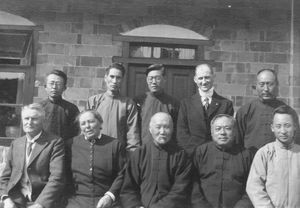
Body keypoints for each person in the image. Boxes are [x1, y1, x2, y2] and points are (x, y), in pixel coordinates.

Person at [120, 112, 192, 208]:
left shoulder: (181, 156)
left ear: (172, 129)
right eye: (158, 127)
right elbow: (128, 188)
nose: (162, 132)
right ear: (150, 129)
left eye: (166, 127)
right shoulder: (140, 154)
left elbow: (180, 191)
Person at [0, 103, 65, 208]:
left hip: (41, 200)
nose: (29, 122)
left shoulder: (54, 143)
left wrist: (41, 204)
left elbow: (57, 178)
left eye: (34, 119)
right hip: (16, 200)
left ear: (43, 121)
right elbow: (5, 177)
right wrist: (6, 198)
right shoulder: (16, 144)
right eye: (26, 118)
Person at [65, 110, 126, 208]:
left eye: (91, 122)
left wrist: (110, 196)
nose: (87, 126)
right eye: (83, 124)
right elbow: (65, 175)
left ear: (100, 123)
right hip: (77, 200)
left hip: (107, 199)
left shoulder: (114, 144)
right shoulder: (71, 144)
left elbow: (122, 174)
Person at [192, 114, 254, 208]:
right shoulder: (201, 152)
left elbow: (252, 187)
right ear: (211, 132)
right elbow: (193, 184)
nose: (222, 132)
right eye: (218, 128)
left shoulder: (246, 155)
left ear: (235, 132)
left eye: (227, 128)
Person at [246, 105, 300, 207]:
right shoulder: (264, 153)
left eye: (287, 125)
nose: (283, 131)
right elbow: (254, 186)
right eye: (278, 126)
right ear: (272, 128)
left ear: (295, 126)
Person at [177, 63, 234, 155]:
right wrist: (194, 152)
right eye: (200, 78)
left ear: (213, 77)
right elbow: (181, 133)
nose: (204, 82)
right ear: (195, 79)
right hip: (192, 156)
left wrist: (214, 152)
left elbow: (229, 133)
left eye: (207, 77)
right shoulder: (186, 104)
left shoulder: (226, 104)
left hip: (217, 155)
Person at [87, 63, 140, 151]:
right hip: (96, 150)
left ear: (122, 80)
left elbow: (132, 132)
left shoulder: (128, 104)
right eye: (112, 77)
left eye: (118, 78)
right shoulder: (94, 101)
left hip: (118, 152)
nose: (114, 81)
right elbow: (85, 127)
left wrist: (132, 154)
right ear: (105, 78)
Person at [235, 69, 288, 149]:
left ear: (277, 85)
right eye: (262, 84)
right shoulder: (245, 111)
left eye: (270, 84)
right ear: (256, 86)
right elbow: (237, 141)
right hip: (251, 159)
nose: (266, 89)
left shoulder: (286, 111)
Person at [134, 64, 179, 143]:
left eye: (157, 78)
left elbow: (176, 129)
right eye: (150, 78)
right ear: (147, 80)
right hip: (144, 148)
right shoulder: (138, 101)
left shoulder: (173, 103)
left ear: (164, 79)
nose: (153, 82)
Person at [40, 69, 79, 140]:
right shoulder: (38, 107)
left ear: (64, 88)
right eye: (51, 83)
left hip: (63, 148)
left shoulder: (72, 109)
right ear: (45, 87)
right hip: (42, 147)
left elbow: (76, 133)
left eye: (58, 84)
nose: (54, 87)